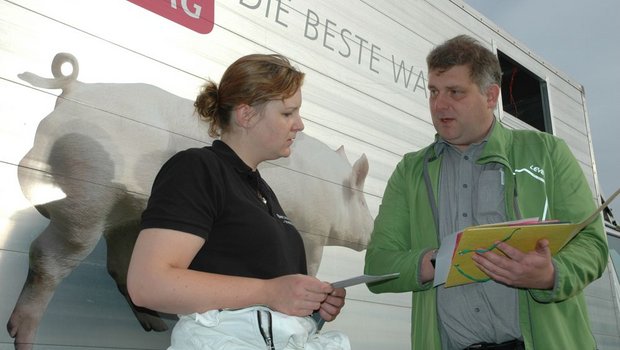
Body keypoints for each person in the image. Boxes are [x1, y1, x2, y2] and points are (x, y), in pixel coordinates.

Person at [364, 35, 608, 350]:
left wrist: (551, 274)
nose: (440, 105)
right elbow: (377, 268)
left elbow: (592, 245)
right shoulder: (410, 171)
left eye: (455, 92)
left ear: (490, 96)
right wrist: (437, 262)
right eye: (434, 92)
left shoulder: (548, 153)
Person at [127, 53, 350, 349]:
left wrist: (310, 302)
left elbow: (265, 300)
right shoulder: (197, 169)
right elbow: (148, 285)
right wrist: (270, 291)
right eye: (288, 113)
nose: (299, 125)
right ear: (246, 115)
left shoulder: (262, 192)